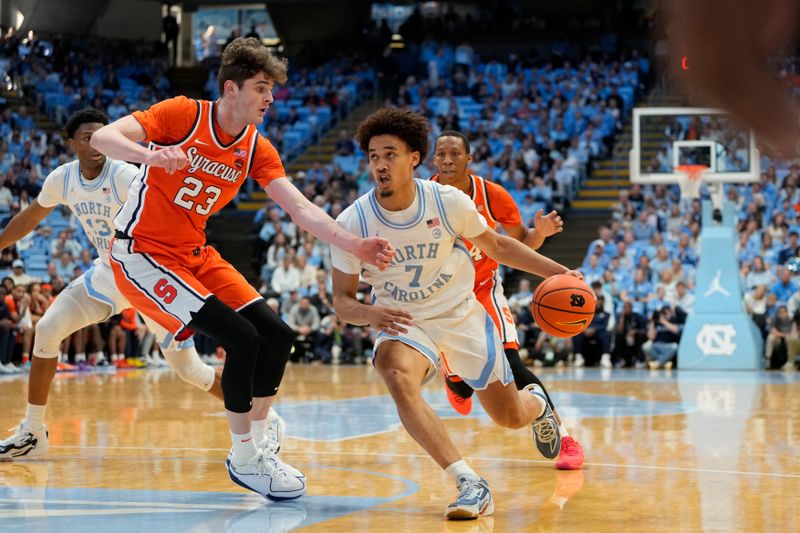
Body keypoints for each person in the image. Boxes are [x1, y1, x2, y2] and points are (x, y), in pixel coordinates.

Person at [89, 37, 393, 500]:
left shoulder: (255, 148)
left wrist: (356, 244)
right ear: (231, 89)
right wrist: (150, 155)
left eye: (272, 89)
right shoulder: (182, 114)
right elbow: (100, 138)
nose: (270, 98)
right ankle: (245, 456)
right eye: (261, 87)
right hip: (143, 254)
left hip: (194, 253)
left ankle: (259, 436)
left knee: (278, 335)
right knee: (242, 339)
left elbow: (301, 209)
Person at [331, 108, 582, 519]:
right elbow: (342, 300)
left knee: (509, 416)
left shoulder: (447, 201)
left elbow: (500, 247)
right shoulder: (352, 222)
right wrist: (368, 314)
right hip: (405, 322)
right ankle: (469, 482)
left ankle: (536, 404)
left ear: (414, 158)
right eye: (373, 156)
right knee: (394, 371)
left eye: (389, 154)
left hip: (461, 315)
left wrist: (561, 273)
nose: (379, 164)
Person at [0, 109, 286, 461]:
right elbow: (31, 215)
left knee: (191, 371)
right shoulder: (62, 179)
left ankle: (265, 416)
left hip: (150, 272)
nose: (94, 143)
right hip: (109, 273)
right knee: (47, 329)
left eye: (99, 135)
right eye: (86, 137)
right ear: (71, 143)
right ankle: (32, 430)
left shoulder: (125, 174)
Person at [430, 130, 585, 470]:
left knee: (512, 366)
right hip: (441, 298)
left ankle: (564, 439)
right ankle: (453, 378)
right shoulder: (423, 196)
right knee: (464, 384)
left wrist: (539, 234)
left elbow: (518, 244)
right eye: (441, 154)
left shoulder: (492, 195)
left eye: (455, 154)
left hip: (483, 290)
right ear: (432, 159)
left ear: (469, 159)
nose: (447, 160)